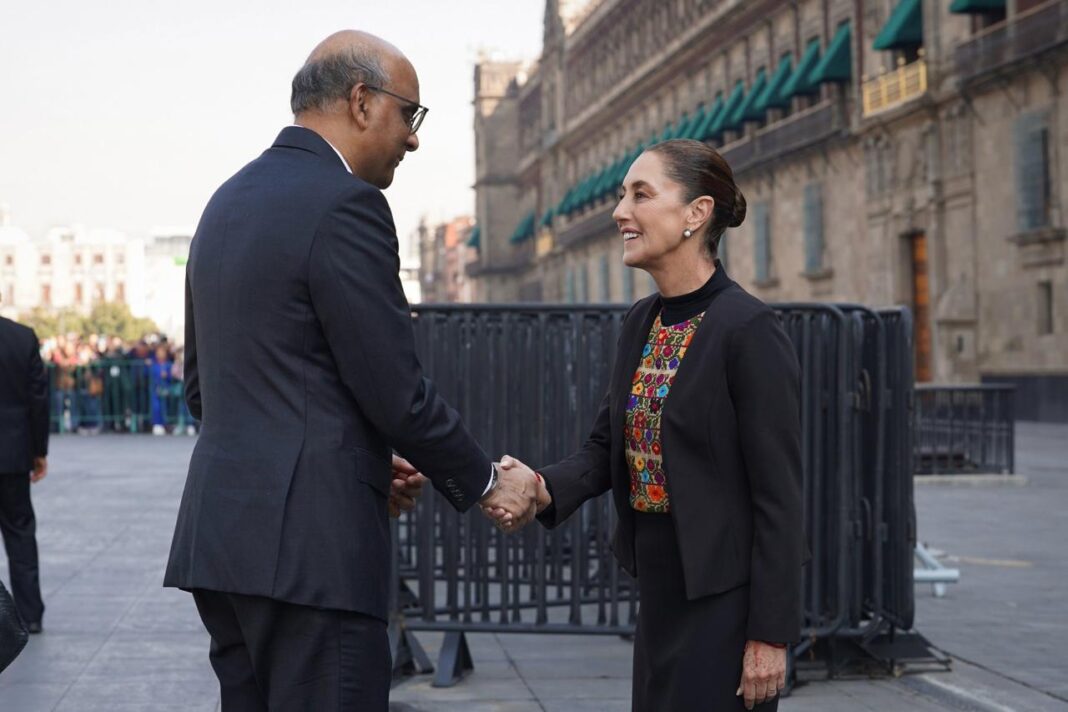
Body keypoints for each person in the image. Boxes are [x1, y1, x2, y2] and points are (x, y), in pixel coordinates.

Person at [164, 30, 538, 711]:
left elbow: (205, 389)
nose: (413, 139)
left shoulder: (225, 202)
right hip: (314, 558)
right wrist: (487, 480)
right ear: (362, 102)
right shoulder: (347, 204)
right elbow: (395, 392)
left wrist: (354, 459)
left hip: (222, 546)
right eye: (409, 114)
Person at [485, 139, 805, 711]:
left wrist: (770, 634)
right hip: (660, 590)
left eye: (641, 195)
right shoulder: (642, 320)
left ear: (696, 213)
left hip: (725, 600)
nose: (620, 212)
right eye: (622, 195)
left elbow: (779, 497)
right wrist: (539, 485)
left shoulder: (748, 329)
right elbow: (605, 447)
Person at [0, 299, 50, 634]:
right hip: (13, 452)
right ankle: (30, 614)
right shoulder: (22, 337)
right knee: (20, 534)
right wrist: (38, 451)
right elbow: (38, 398)